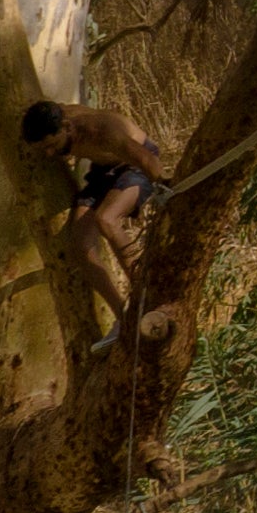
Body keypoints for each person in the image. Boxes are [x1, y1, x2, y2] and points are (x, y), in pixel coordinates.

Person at [21, 99, 178, 343]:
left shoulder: (102, 131)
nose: (50, 154)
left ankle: (146, 292)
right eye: (44, 149)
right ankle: (124, 318)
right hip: (103, 172)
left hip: (135, 168)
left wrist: (166, 192)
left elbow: (148, 160)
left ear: (66, 126)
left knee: (107, 219)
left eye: (52, 145)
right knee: (79, 246)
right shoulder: (58, 116)